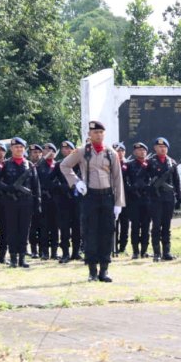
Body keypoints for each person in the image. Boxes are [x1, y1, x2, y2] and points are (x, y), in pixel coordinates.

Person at [60, 121, 125, 282]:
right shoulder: (82, 151)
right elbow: (64, 165)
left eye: (101, 132)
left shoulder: (111, 153)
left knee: (107, 232)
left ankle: (104, 269)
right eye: (95, 132)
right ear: (89, 134)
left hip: (107, 196)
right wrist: (76, 182)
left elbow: (118, 178)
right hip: (90, 197)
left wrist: (118, 203)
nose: (98, 135)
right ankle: (92, 271)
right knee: (90, 232)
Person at [0, 137, 40, 268]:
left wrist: (38, 202)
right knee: (12, 230)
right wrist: (9, 188)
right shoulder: (5, 164)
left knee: (25, 230)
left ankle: (22, 258)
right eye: (16, 147)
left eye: (21, 147)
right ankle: (13, 257)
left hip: (26, 202)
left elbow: (36, 186)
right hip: (11, 202)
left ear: (24, 149)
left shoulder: (30, 165)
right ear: (11, 149)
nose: (18, 149)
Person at [147, 137, 181, 261]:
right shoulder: (150, 162)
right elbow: (145, 179)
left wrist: (179, 198)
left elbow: (176, 182)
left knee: (167, 226)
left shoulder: (172, 162)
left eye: (164, 147)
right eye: (160, 147)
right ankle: (156, 253)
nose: (162, 149)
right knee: (156, 226)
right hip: (155, 199)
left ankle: (166, 252)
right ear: (155, 148)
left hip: (168, 198)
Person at [52, 140, 82, 263]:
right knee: (64, 228)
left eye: (69, 149)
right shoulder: (59, 165)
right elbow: (49, 181)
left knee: (77, 227)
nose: (66, 151)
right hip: (63, 200)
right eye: (64, 149)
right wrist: (61, 186)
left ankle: (76, 253)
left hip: (78, 200)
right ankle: (65, 253)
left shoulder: (80, 164)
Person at [124, 142, 152, 259]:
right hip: (134, 200)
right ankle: (135, 251)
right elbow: (123, 180)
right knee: (135, 226)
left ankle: (144, 250)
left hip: (147, 199)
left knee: (146, 226)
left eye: (143, 150)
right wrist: (130, 189)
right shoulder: (129, 165)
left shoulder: (150, 164)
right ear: (134, 152)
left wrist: (148, 186)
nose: (141, 152)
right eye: (138, 150)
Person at [37, 143, 60, 260]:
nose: (48, 152)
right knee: (44, 226)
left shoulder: (58, 165)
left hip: (56, 198)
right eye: (46, 150)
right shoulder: (40, 165)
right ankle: (44, 252)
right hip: (44, 198)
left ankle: (54, 252)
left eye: (51, 150)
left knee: (55, 226)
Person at [113, 142, 130, 255]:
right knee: (113, 224)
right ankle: (113, 247)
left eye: (121, 151)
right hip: (112, 198)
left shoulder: (129, 165)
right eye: (117, 151)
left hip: (126, 198)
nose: (119, 153)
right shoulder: (110, 165)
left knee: (124, 224)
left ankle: (122, 247)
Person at [28, 143, 44, 258]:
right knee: (32, 227)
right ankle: (34, 250)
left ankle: (43, 250)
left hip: (45, 200)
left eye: (39, 152)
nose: (37, 155)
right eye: (34, 152)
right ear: (30, 154)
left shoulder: (45, 166)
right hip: (30, 200)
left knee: (43, 226)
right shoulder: (27, 165)